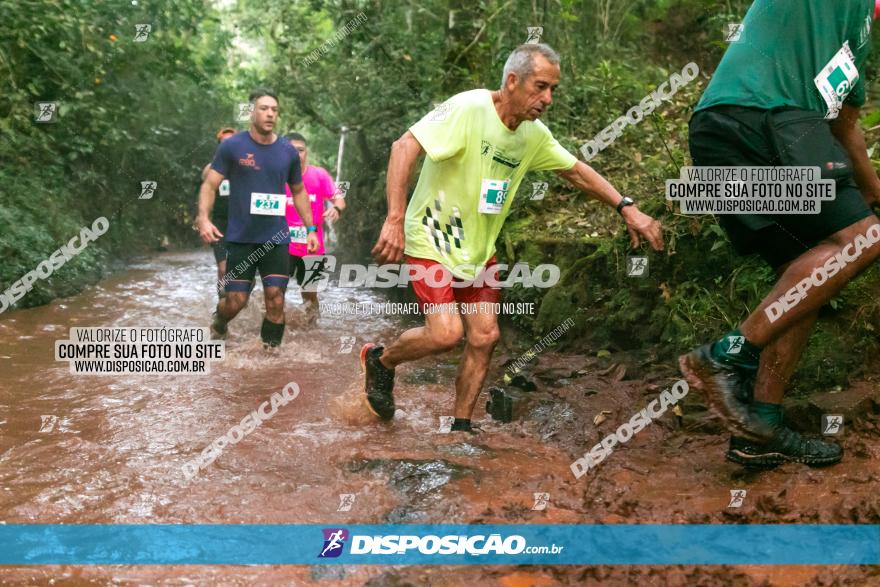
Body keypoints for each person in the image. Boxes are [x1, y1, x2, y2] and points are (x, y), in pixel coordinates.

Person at [363, 43, 663, 430]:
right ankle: (381, 360)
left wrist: (627, 207)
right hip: (431, 239)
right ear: (512, 81)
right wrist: (394, 218)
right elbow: (404, 146)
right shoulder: (468, 108)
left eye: (553, 89)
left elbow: (575, 171)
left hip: (478, 251)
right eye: (540, 86)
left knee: (485, 336)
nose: (548, 98)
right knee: (446, 334)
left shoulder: (533, 135)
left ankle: (461, 428)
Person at [681, 0, 880, 467]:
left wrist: (873, 191)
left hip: (715, 132)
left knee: (809, 270)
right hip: (771, 120)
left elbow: (844, 126)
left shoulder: (857, 43)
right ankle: (726, 356)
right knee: (862, 239)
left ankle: (760, 426)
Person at [195, 89, 319, 347]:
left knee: (276, 298)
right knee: (236, 301)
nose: (270, 113)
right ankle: (219, 320)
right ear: (252, 112)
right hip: (241, 239)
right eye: (264, 108)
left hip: (276, 238)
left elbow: (299, 192)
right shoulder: (233, 147)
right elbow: (209, 185)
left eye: (274, 109)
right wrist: (204, 219)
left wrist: (311, 229)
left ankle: (269, 358)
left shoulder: (287, 152)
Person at [284, 132, 346, 323]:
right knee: (275, 292)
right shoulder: (275, 176)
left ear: (306, 153)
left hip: (312, 246)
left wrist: (336, 208)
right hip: (281, 245)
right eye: (291, 150)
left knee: (309, 295)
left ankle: (312, 331)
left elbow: (340, 199)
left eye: (300, 150)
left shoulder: (319, 175)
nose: (296, 154)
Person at [203, 127, 236, 300]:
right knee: (223, 268)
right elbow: (205, 188)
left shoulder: (244, 166)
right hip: (219, 224)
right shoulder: (212, 168)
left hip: (241, 224)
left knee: (243, 269)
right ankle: (222, 303)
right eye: (225, 143)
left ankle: (240, 302)